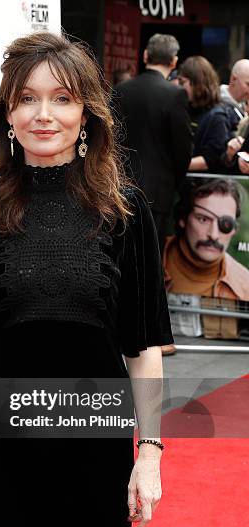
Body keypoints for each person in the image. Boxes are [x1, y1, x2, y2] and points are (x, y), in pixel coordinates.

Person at [0, 31, 173, 527]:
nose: (44, 115)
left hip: (91, 441)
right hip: (0, 446)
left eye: (62, 99)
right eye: (27, 99)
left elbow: (142, 347)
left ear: (87, 113)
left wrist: (149, 455)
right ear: (7, 114)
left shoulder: (124, 210)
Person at [112, 33, 192, 254]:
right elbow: (182, 149)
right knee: (150, 258)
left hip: (119, 186)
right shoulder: (175, 95)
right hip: (157, 192)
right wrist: (176, 180)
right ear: (174, 61)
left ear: (145, 55)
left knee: (120, 256)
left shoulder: (120, 90)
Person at [163, 178, 249, 338]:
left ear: (234, 230)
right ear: (183, 218)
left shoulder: (245, 285)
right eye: (203, 219)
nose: (214, 235)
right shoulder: (148, 264)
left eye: (225, 224)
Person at [177, 56, 232, 173]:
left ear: (197, 82)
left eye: (183, 82)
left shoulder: (217, 117)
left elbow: (210, 160)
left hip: (203, 186)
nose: (179, 87)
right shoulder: (187, 109)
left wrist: (173, 166)